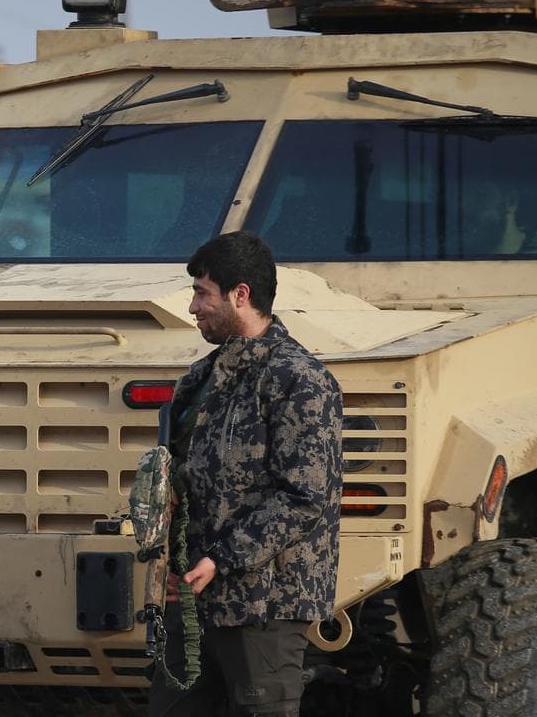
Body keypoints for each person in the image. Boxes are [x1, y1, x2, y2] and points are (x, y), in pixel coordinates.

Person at [149, 231, 344, 717]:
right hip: (192, 603)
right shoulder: (199, 378)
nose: (193, 307)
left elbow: (304, 497)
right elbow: (176, 475)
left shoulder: (300, 380)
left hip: (264, 607)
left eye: (201, 293)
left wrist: (222, 558)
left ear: (241, 295)